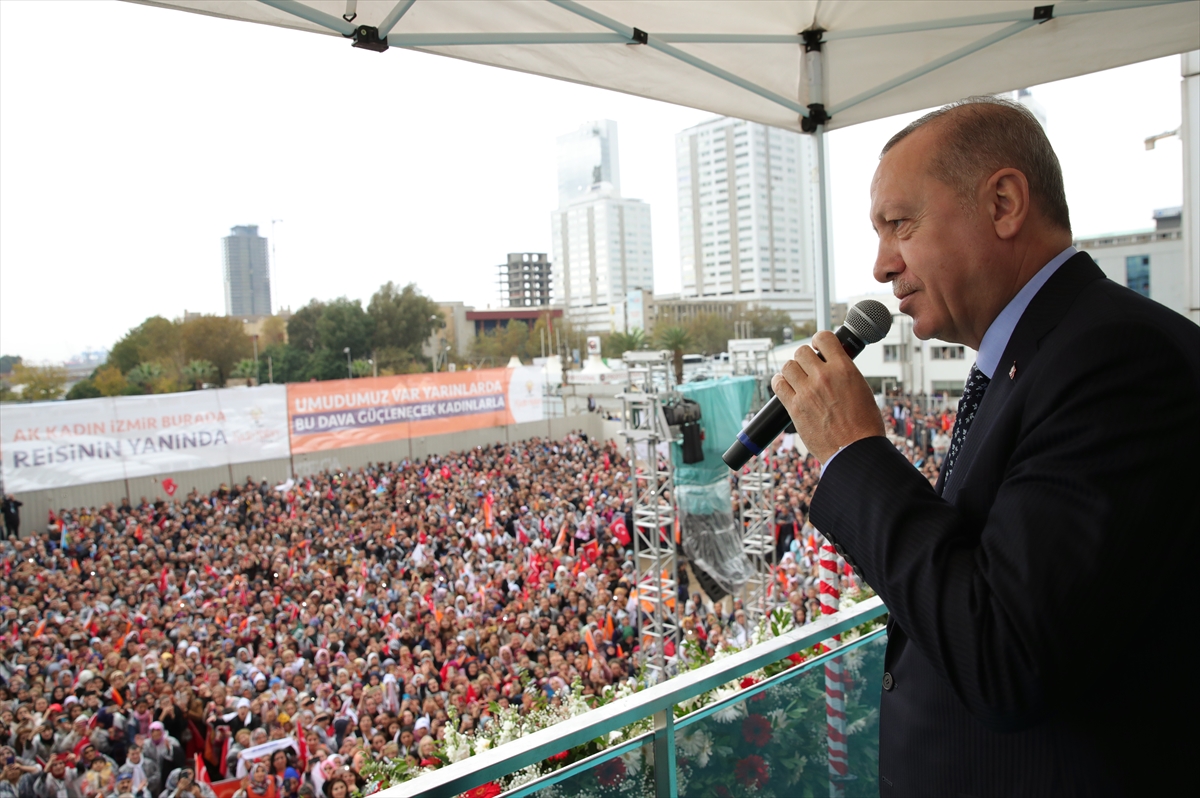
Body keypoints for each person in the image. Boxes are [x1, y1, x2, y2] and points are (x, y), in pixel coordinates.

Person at [773, 95, 1199, 795]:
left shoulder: (1115, 362)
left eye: (899, 224)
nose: (882, 266)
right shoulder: (1042, 357)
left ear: (1004, 203)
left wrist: (854, 452)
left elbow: (1006, 655)